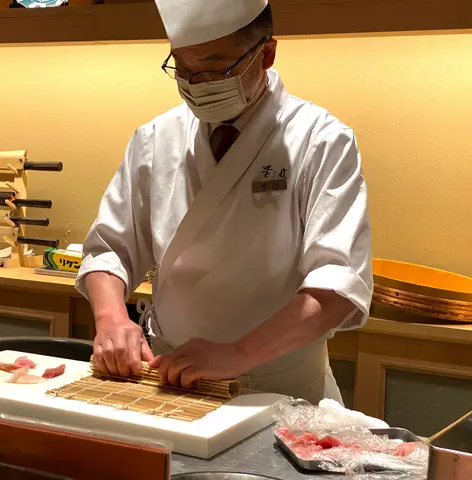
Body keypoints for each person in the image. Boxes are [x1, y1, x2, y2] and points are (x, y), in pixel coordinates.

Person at [75, 0, 373, 404]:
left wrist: (239, 353)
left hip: (280, 388)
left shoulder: (321, 140)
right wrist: (111, 318)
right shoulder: (155, 138)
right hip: (168, 378)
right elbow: (111, 249)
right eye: (183, 70)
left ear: (265, 55)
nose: (196, 85)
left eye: (214, 70)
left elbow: (337, 283)